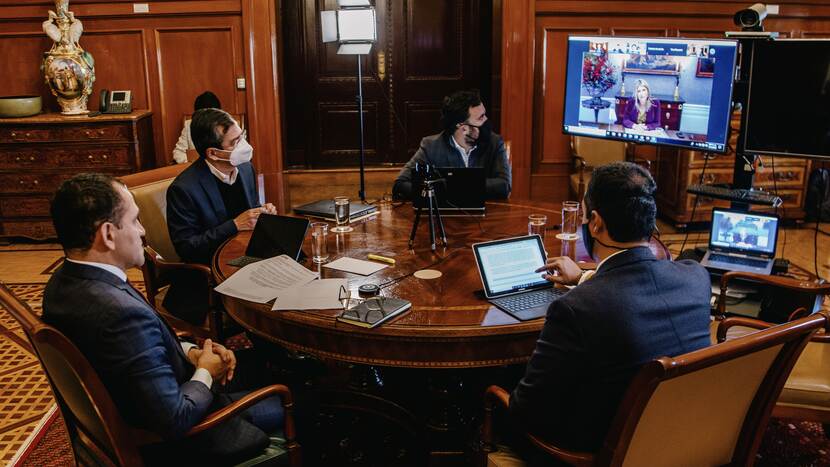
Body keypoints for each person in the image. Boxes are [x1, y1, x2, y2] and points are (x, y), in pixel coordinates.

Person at [43, 173, 286, 464]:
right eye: (134, 220)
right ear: (108, 234)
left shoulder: (61, 284)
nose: (143, 231)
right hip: (189, 438)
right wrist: (206, 371)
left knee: (267, 364)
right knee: (301, 395)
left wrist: (194, 353)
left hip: (150, 397)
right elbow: (175, 419)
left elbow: (134, 352)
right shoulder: (118, 314)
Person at [507, 162, 711, 456]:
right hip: (682, 438)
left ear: (596, 223)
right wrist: (583, 277)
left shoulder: (575, 309)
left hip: (595, 452)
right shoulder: (695, 277)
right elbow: (634, 291)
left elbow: (526, 410)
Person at [166, 108, 276, 325]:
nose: (243, 145)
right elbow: (187, 247)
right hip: (207, 272)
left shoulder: (245, 168)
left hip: (246, 259)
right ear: (213, 153)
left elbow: (250, 212)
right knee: (262, 310)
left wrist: (262, 214)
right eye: (235, 142)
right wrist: (234, 225)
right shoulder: (183, 189)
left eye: (241, 136)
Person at [392, 89, 511, 200]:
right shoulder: (431, 146)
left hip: (486, 216)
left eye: (484, 114)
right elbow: (401, 184)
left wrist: (453, 186)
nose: (486, 120)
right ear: (463, 128)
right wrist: (439, 191)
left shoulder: (495, 142)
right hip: (444, 218)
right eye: (481, 117)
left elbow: (504, 186)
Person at [172, 91, 221, 164]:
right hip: (195, 168)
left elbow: (238, 153)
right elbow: (178, 152)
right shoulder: (189, 125)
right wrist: (192, 164)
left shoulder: (227, 126)